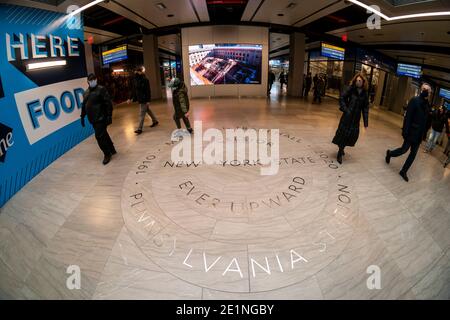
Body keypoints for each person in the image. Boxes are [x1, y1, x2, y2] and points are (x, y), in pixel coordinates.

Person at [385, 83, 432, 182]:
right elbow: (408, 117)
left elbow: (426, 120)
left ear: (430, 93)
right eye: (424, 89)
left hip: (419, 135)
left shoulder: (427, 105)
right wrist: (405, 131)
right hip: (411, 132)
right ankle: (390, 153)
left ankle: (403, 171)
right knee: (403, 150)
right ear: (421, 90)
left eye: (428, 90)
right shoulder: (414, 100)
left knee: (413, 154)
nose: (425, 91)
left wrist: (424, 134)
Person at [332, 73, 369, 164]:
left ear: (363, 82)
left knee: (351, 135)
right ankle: (340, 152)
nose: (358, 82)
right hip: (347, 116)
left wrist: (365, 122)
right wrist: (345, 109)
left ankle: (342, 147)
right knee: (344, 134)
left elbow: (365, 108)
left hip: (356, 118)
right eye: (357, 80)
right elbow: (342, 98)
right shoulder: (351, 89)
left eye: (360, 80)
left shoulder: (365, 94)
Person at [80, 73, 116, 165]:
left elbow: (108, 103)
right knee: (103, 134)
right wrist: (82, 116)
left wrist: (109, 116)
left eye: (94, 80)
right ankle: (112, 149)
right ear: (88, 81)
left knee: (99, 136)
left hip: (101, 118)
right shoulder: (86, 93)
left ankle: (107, 154)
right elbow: (84, 106)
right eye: (90, 80)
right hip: (92, 119)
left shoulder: (101, 89)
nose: (92, 81)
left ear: (96, 80)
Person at [128, 66, 159, 135]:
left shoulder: (145, 79)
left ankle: (139, 129)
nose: (136, 72)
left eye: (138, 71)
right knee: (147, 110)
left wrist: (148, 100)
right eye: (136, 71)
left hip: (144, 99)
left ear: (140, 72)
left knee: (141, 114)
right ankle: (155, 121)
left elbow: (148, 91)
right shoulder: (135, 79)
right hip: (140, 98)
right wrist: (130, 98)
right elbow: (134, 90)